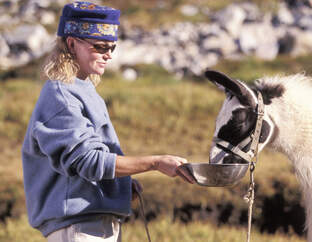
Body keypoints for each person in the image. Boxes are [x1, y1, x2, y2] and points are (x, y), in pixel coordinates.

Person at [21, 2, 194, 241]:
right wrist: (155, 163)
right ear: (71, 44)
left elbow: (90, 163)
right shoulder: (61, 94)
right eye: (100, 46)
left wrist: (121, 184)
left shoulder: (82, 89)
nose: (109, 54)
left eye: (112, 47)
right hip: (79, 228)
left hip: (93, 226)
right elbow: (89, 161)